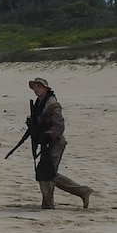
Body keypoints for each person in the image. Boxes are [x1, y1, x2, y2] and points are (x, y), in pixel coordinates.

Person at [26, 78, 93, 210]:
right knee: (47, 174)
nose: (36, 89)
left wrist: (49, 135)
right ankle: (81, 192)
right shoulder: (39, 103)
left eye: (39, 86)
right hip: (46, 144)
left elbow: (60, 126)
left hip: (55, 143)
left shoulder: (52, 104)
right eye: (35, 86)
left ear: (46, 88)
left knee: (47, 174)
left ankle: (49, 204)